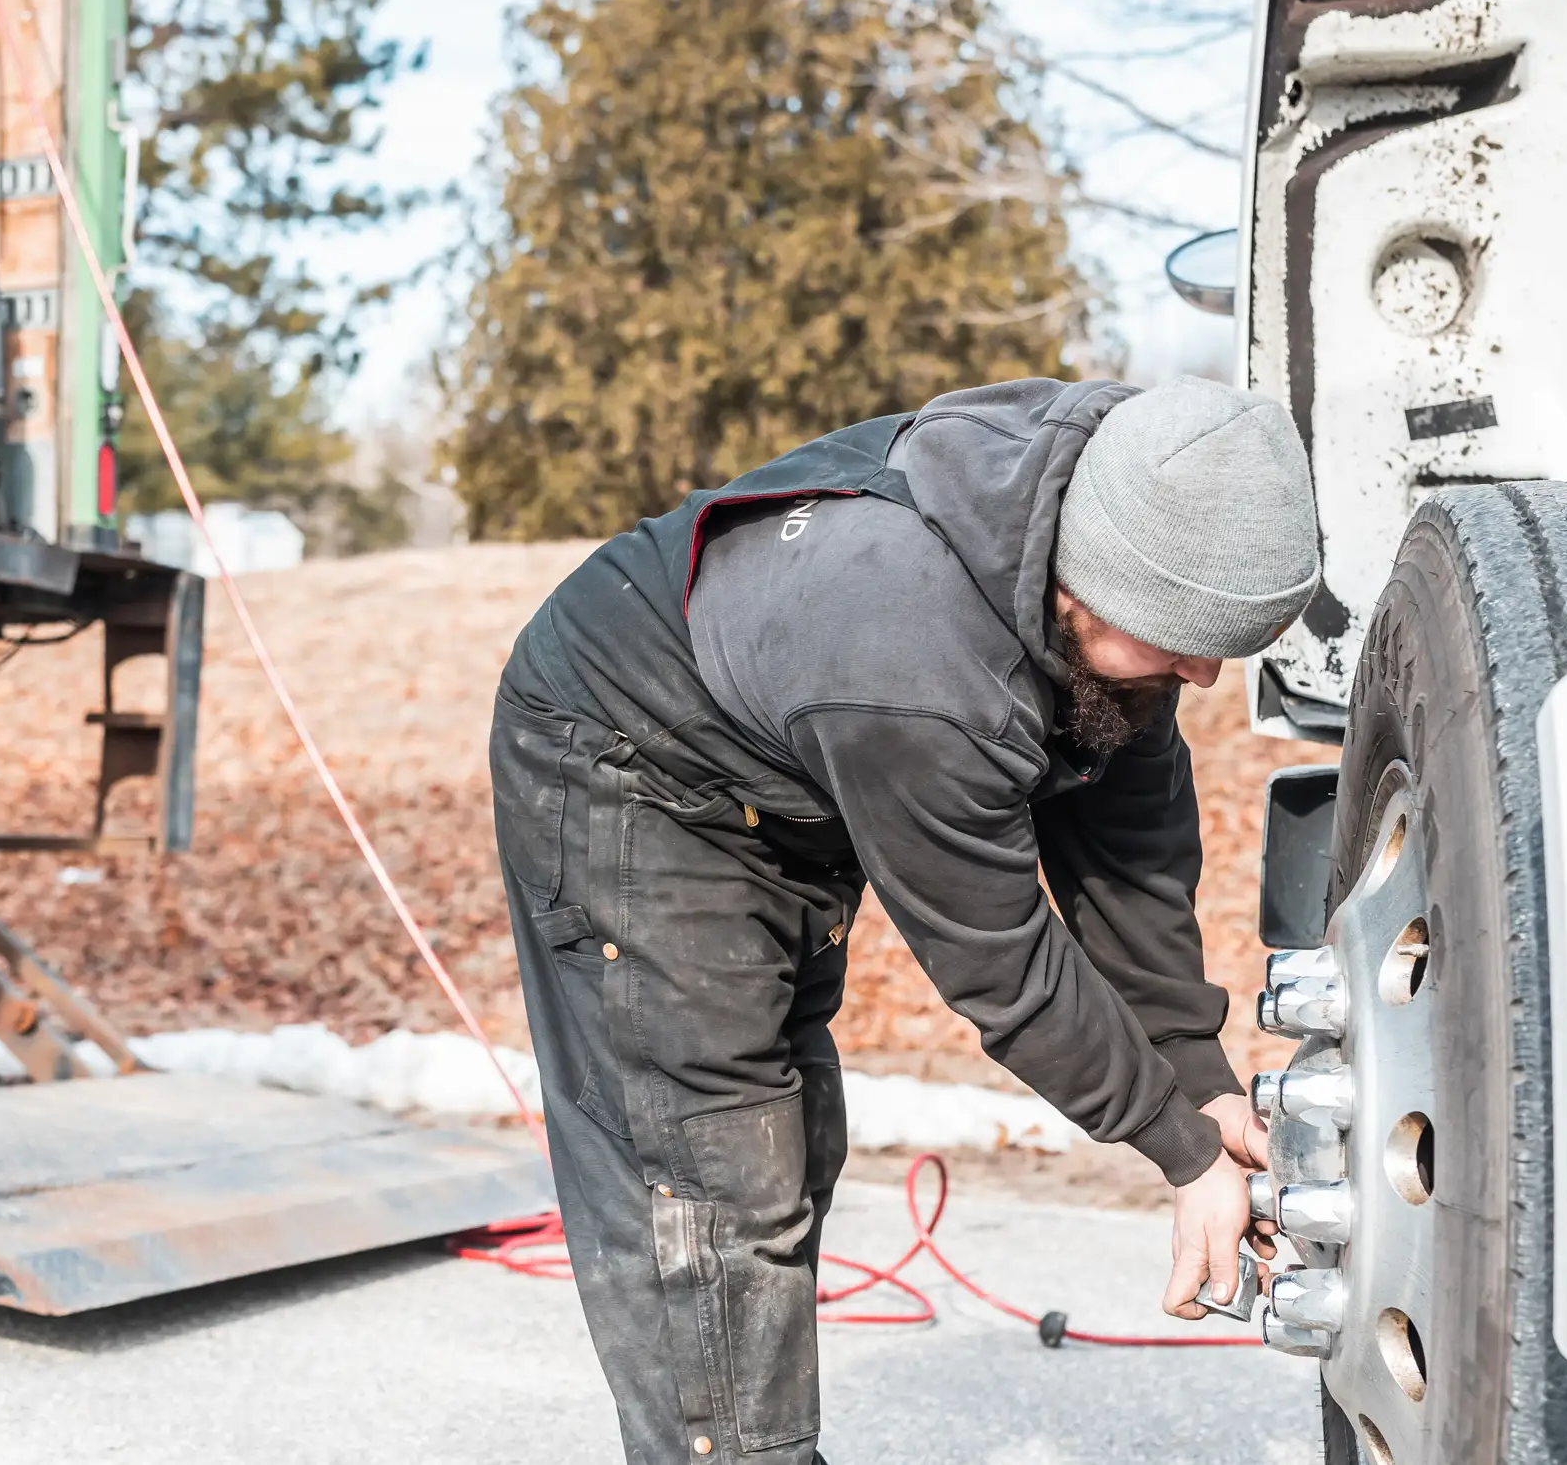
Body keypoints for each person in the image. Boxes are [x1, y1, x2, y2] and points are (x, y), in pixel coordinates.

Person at [489, 375, 1314, 1464]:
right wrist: (1178, 1152)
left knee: (789, 1140)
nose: (1201, 674)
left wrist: (1196, 1078)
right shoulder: (910, 659)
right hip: (630, 762)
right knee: (706, 1164)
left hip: (781, 748)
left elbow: (1126, 856)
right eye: (1176, 639)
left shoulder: (1125, 504)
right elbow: (1003, 965)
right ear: (1088, 584)